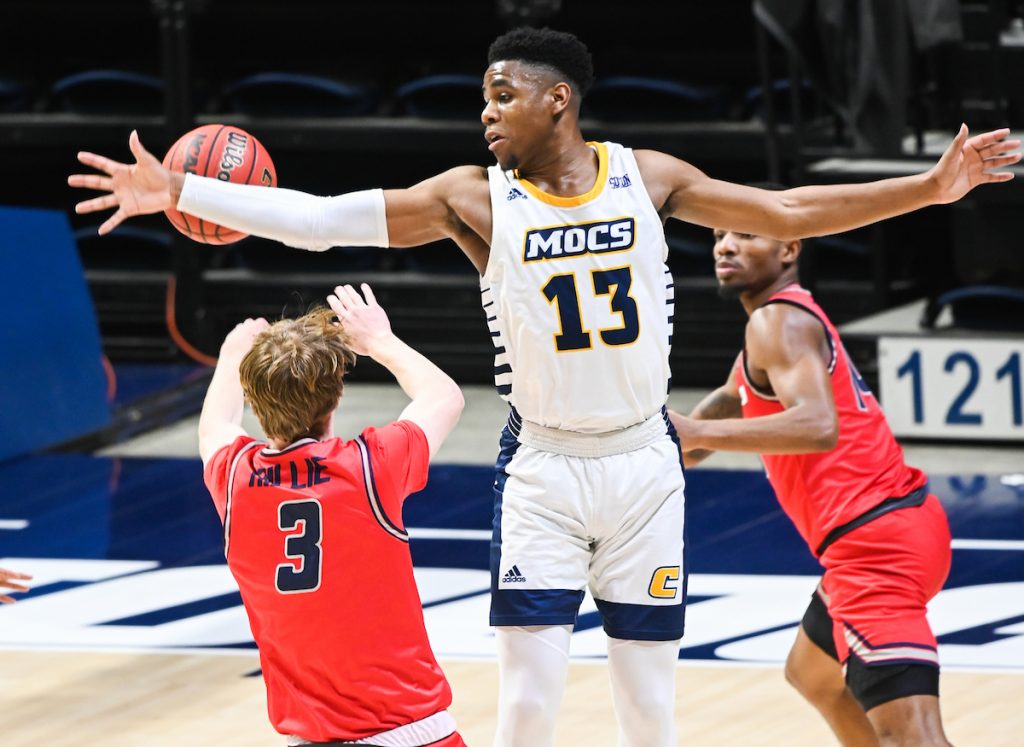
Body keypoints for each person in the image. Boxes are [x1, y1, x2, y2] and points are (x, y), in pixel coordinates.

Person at [68, 26, 1017, 747]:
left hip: (646, 462)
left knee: (650, 707)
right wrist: (184, 193)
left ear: (557, 100)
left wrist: (926, 190)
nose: (484, 113)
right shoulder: (473, 198)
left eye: (502, 96)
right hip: (545, 471)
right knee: (528, 704)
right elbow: (319, 221)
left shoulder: (649, 178)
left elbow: (788, 209)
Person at [668, 210, 954, 746]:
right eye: (717, 236)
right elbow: (730, 404)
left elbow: (818, 426)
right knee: (812, 673)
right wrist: (661, 443)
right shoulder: (775, 323)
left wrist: (687, 431)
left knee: (915, 740)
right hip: (894, 525)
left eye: (745, 235)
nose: (724, 246)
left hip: (875, 547)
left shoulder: (776, 322)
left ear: (790, 250)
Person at [198, 283, 466, 746]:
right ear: (336, 396)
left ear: (254, 400)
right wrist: (380, 340)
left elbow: (216, 425)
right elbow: (444, 397)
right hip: (412, 733)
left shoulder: (235, 477)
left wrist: (231, 354)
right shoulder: (368, 466)